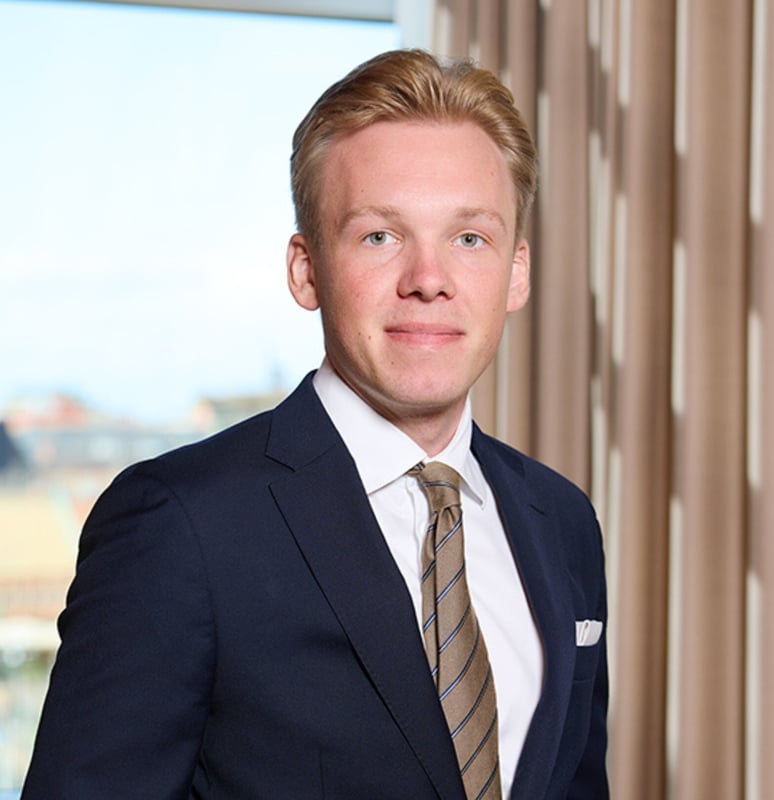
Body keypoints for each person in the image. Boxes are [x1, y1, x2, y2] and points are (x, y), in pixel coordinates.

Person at [22, 49, 608, 799]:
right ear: (306, 270)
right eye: (379, 236)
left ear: (515, 272)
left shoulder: (561, 521)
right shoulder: (182, 526)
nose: (429, 280)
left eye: (469, 238)